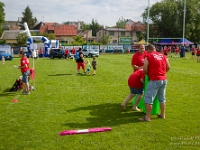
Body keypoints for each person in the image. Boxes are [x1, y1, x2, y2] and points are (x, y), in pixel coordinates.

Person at [138, 44, 170, 122]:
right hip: (164, 79)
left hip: (155, 79)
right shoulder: (163, 56)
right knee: (162, 98)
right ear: (155, 49)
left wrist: (148, 74)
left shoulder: (148, 56)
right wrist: (162, 73)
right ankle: (163, 114)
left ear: (148, 50)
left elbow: (145, 69)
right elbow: (168, 67)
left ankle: (147, 117)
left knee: (148, 99)